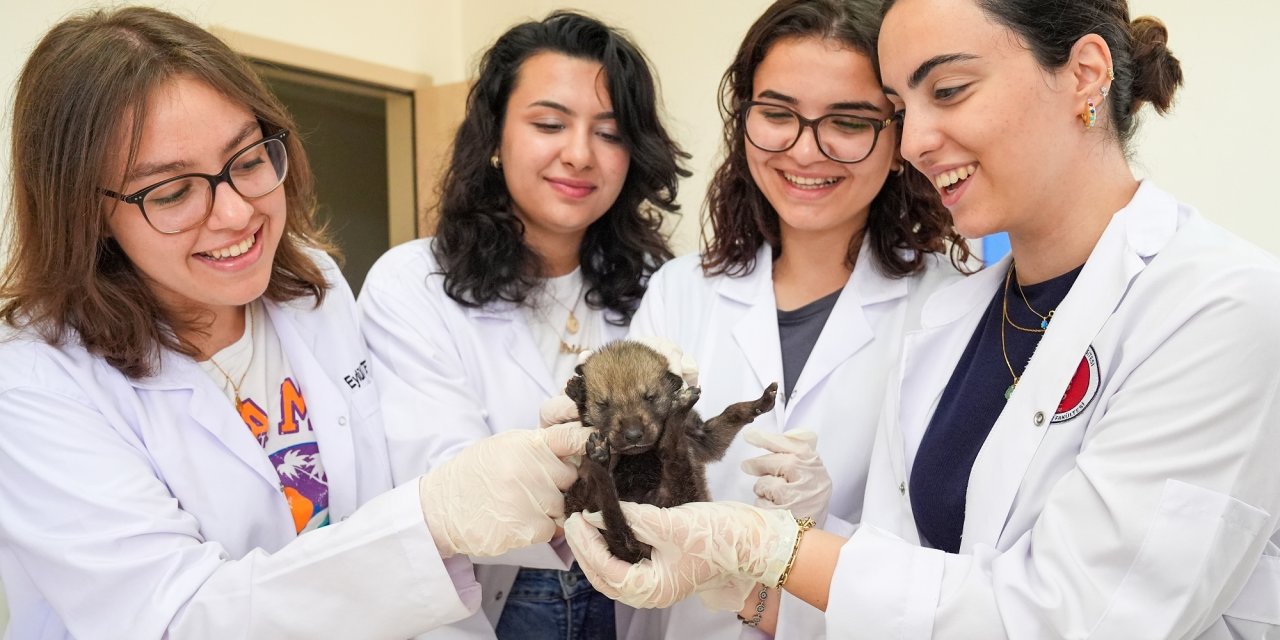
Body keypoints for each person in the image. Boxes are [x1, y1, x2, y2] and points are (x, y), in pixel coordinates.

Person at [565, 0, 1280, 637]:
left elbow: (1076, 617)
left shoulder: (1217, 304)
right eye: (904, 110)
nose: (911, 144)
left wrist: (776, 547)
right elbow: (905, 577)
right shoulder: (962, 313)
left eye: (949, 90)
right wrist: (747, 587)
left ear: (1086, 74)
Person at [0, 7, 593, 638]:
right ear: (84, 213)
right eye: (172, 192)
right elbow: (176, 620)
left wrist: (521, 493)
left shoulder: (311, 285)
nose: (234, 214)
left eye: (249, 160)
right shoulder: (36, 381)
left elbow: (374, 512)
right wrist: (431, 520)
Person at [622, 0, 967, 637]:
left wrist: (822, 529)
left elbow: (954, 562)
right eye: (777, 114)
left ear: (899, 141)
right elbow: (632, 495)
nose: (806, 150)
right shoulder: (681, 294)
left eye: (849, 121)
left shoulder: (953, 308)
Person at [357, 11, 688, 640]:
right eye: (549, 124)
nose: (579, 154)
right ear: (495, 136)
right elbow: (447, 477)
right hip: (490, 595)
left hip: (632, 588)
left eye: (610, 133)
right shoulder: (411, 284)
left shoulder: (659, 284)